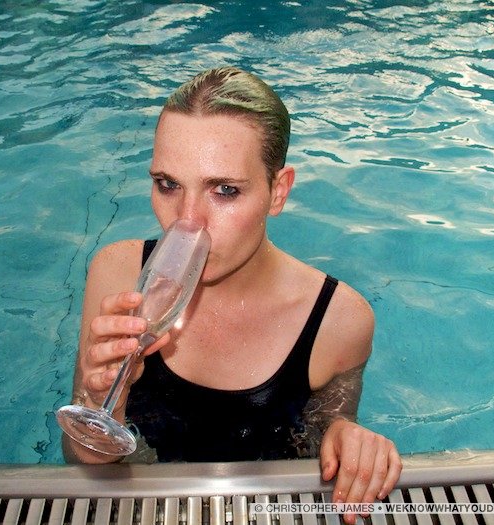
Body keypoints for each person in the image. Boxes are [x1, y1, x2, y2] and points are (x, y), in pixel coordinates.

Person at [64, 66, 402, 522]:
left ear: (278, 192)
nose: (188, 221)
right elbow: (81, 463)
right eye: (168, 185)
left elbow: (323, 442)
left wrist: (348, 441)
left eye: (224, 191)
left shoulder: (337, 319)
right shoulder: (118, 274)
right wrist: (97, 401)